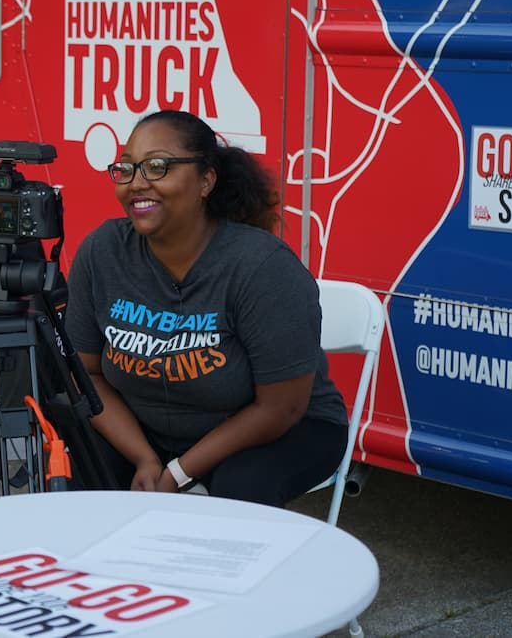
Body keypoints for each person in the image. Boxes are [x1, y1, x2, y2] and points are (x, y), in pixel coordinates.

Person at [64, 109, 349, 506]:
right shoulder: (102, 252)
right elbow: (86, 376)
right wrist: (144, 457)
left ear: (205, 181)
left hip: (280, 429)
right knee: (78, 463)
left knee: (241, 486)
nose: (136, 183)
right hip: (149, 430)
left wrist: (178, 471)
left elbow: (280, 408)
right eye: (126, 169)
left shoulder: (262, 268)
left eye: (157, 167)